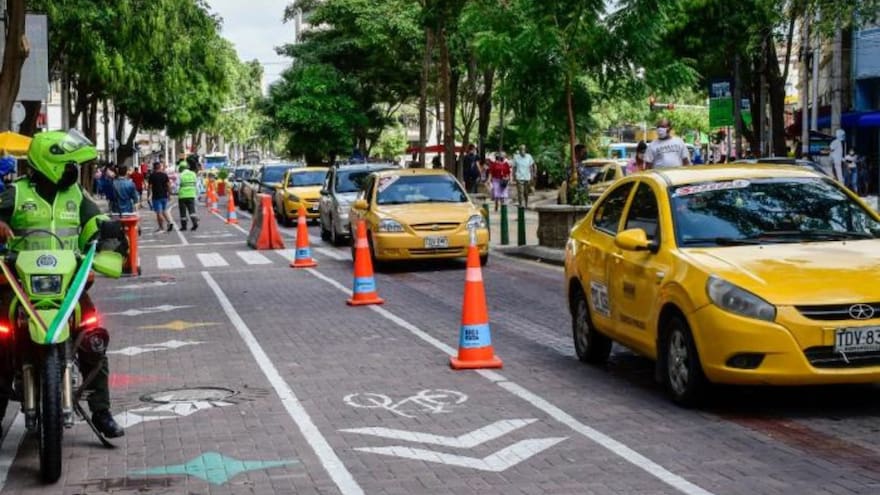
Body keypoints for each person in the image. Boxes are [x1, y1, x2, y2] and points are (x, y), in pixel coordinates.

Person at [0, 129, 126, 438]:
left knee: (93, 337)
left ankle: (101, 410)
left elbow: (95, 224)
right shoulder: (16, 193)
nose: (73, 170)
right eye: (68, 164)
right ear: (49, 163)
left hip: (69, 287)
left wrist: (108, 238)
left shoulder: (77, 196)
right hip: (19, 286)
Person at [148, 161, 173, 232]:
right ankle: (170, 222)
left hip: (156, 196)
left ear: (154, 167)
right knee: (164, 210)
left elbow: (149, 187)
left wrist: (148, 196)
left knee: (158, 213)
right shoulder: (164, 175)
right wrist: (169, 194)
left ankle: (161, 227)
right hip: (164, 196)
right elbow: (168, 185)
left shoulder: (152, 176)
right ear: (160, 167)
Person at [178, 156, 199, 231]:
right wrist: (197, 193)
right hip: (191, 194)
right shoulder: (193, 174)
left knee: (183, 212)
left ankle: (184, 226)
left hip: (182, 195)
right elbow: (196, 184)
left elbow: (177, 185)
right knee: (192, 211)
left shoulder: (180, 175)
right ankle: (194, 223)